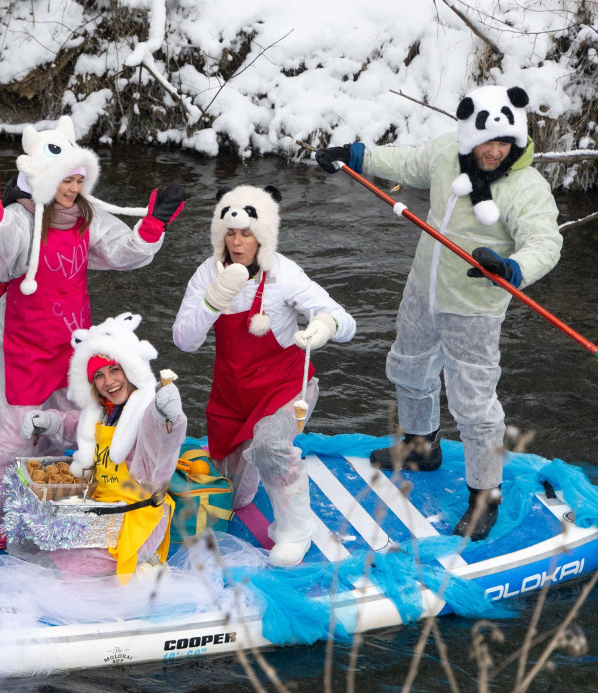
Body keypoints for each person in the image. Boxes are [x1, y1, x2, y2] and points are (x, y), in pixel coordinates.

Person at [314, 84, 562, 541]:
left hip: (474, 308)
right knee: (408, 365)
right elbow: (405, 162)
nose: (494, 151)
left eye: (504, 143)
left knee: (474, 404)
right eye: (487, 141)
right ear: (469, 134)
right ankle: (421, 445)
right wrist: (355, 154)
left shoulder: (526, 187)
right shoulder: (448, 153)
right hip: (423, 288)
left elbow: (545, 242)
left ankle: (485, 493)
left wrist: (511, 268)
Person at [0, 115, 185, 550]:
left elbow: (122, 251)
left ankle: (37, 493)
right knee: (12, 431)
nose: (73, 187)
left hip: (69, 339)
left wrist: (152, 226)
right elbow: (1, 253)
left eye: (79, 179)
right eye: (66, 180)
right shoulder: (21, 217)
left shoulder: (87, 217)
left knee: (68, 422)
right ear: (43, 179)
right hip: (20, 340)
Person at [172, 184, 356, 566]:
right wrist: (211, 302)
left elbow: (346, 320)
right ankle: (251, 463)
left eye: (248, 234)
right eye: (231, 233)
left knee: (271, 447)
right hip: (232, 394)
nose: (238, 243)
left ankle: (294, 533)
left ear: (264, 235)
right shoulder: (207, 273)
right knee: (231, 496)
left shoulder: (284, 274)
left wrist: (323, 326)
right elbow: (184, 342)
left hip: (285, 388)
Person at [19, 312, 185, 580]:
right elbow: (77, 425)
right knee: (42, 538)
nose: (109, 382)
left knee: (56, 570)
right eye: (99, 375)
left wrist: (171, 416)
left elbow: (164, 438)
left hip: (136, 517)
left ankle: (145, 557)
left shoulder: (146, 410)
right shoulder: (104, 409)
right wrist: (49, 421)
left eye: (115, 369)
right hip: (105, 509)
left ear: (130, 369)